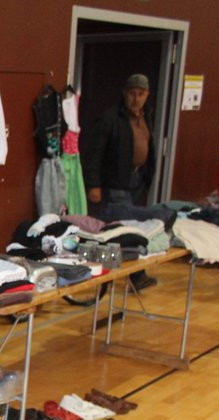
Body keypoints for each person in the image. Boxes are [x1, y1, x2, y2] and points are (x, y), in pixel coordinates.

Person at [84, 73, 157, 290]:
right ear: (125, 94)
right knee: (118, 229)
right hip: (114, 182)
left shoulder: (146, 118)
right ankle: (115, 276)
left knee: (133, 227)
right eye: (132, 93)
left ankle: (129, 272)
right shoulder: (109, 119)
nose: (136, 98)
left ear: (147, 95)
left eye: (141, 94)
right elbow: (93, 154)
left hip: (137, 180)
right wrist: (93, 184)